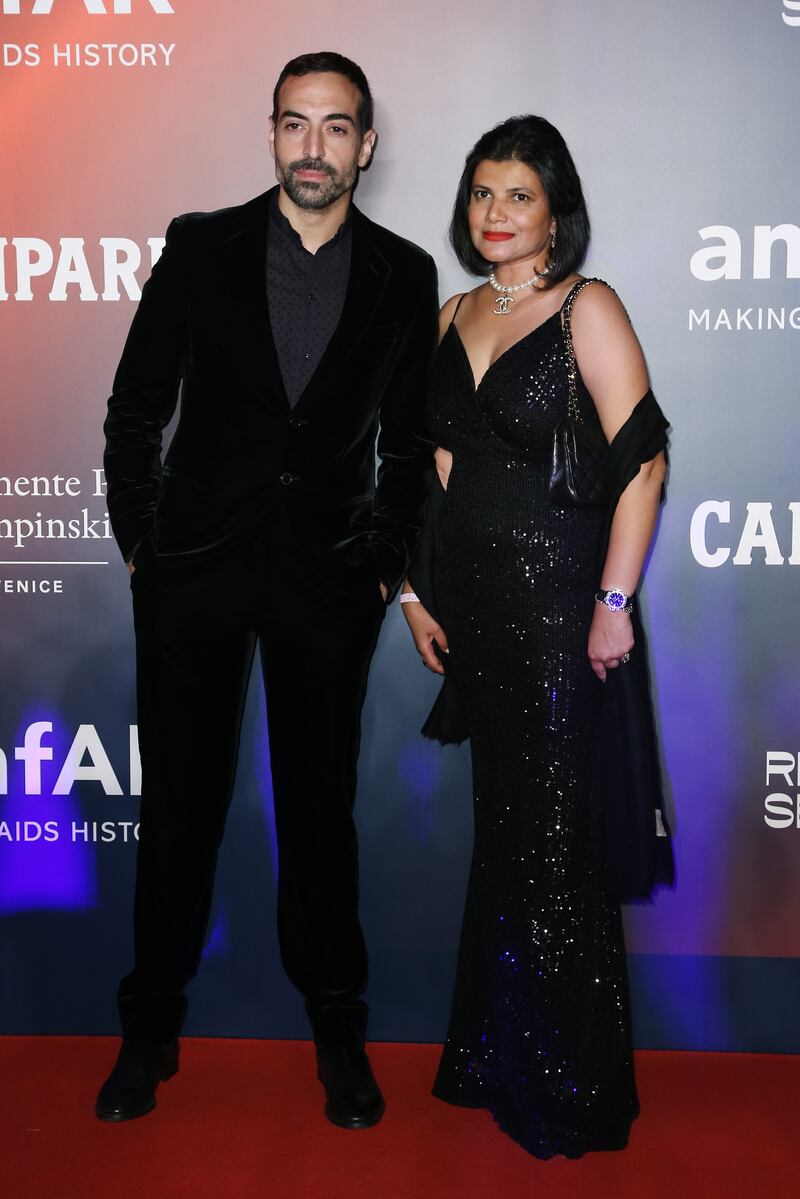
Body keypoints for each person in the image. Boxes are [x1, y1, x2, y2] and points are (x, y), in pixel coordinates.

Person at [97, 51, 438, 1128]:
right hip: (192, 574)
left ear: (365, 146)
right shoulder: (200, 248)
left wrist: (380, 557)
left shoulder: (403, 271)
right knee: (180, 813)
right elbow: (132, 411)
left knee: (319, 814)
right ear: (271, 133)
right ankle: (148, 1028)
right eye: (295, 124)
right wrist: (146, 546)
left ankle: (337, 1027)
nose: (313, 147)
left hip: (324, 580)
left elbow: (409, 437)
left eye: (336, 129)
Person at [402, 115, 668, 1159]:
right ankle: (490, 1047)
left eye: (516, 193)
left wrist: (613, 598)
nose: (495, 213)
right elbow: (430, 467)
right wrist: (419, 600)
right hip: (471, 614)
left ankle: (566, 1083)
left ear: (554, 205)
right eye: (480, 193)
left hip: (560, 609)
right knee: (506, 835)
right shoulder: (449, 312)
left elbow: (641, 460)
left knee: (555, 845)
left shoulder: (584, 307)